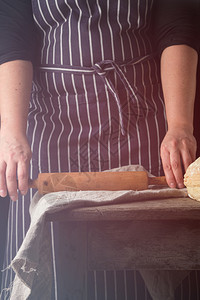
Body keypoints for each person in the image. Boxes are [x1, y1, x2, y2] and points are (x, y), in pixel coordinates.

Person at [0, 0, 199, 299]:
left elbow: (177, 24)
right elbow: (12, 34)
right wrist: (11, 131)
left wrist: (181, 124)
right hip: (54, 127)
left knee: (147, 252)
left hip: (141, 123)